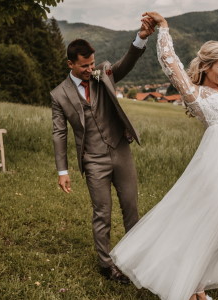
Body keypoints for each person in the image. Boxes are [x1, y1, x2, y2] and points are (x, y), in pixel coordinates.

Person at [110, 12, 218, 300]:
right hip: (213, 167)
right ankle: (194, 288)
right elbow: (172, 65)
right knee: (210, 224)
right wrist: (164, 29)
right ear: (205, 66)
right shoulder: (196, 93)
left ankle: (195, 284)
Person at [50, 18, 156, 283]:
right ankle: (106, 264)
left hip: (121, 152)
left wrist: (140, 38)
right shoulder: (59, 95)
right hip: (93, 160)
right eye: (84, 66)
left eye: (92, 64)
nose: (89, 69)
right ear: (70, 64)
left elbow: (125, 63)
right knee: (102, 213)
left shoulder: (103, 74)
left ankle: (136, 258)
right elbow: (59, 133)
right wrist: (62, 170)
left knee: (131, 208)